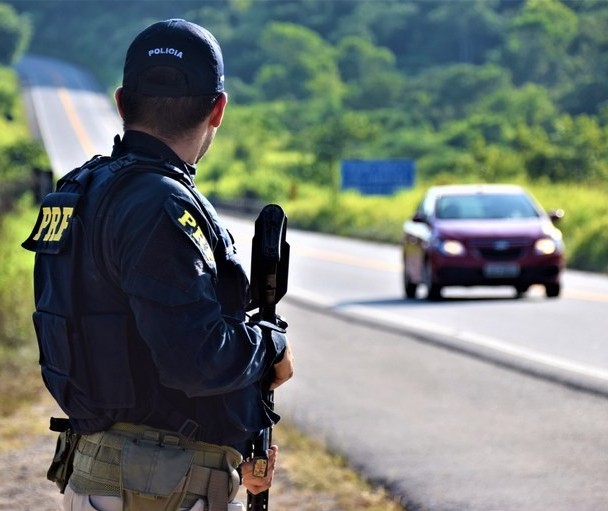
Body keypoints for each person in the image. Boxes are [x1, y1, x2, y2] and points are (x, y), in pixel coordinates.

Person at [22, 18, 294, 511]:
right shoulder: (160, 207)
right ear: (218, 109)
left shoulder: (78, 190)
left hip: (105, 470)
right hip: (160, 485)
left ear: (123, 103)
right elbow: (197, 361)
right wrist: (270, 345)